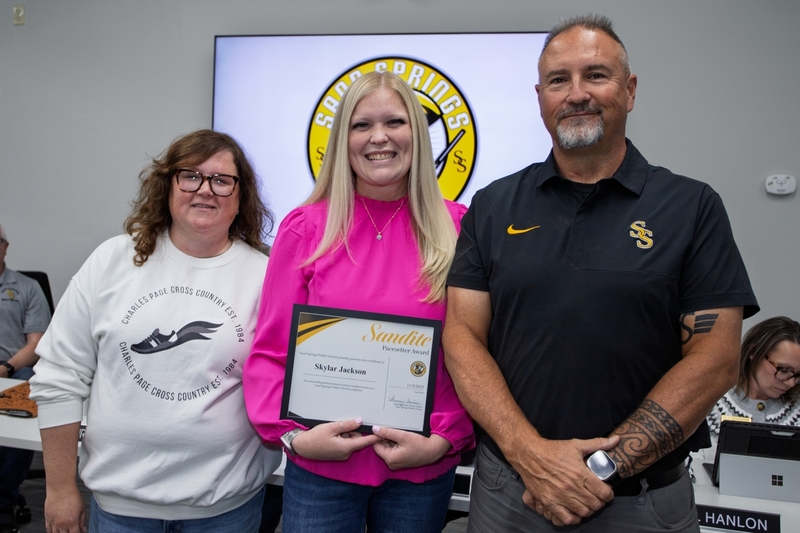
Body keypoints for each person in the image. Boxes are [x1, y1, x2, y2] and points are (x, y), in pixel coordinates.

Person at [443, 14, 759, 533]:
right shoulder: (493, 204)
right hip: (510, 492)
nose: (576, 94)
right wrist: (534, 458)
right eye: (558, 80)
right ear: (540, 95)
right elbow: (462, 336)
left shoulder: (692, 206)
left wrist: (598, 468)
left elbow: (715, 360)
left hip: (641, 503)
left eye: (596, 75)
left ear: (629, 90)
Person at [243, 71, 474, 533]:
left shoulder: (460, 229)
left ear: (419, 135)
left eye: (395, 121)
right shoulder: (305, 228)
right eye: (361, 125)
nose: (379, 137)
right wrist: (294, 437)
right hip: (323, 471)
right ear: (342, 139)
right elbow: (271, 350)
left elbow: (474, 355)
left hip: (420, 473)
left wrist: (447, 438)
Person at [29, 130, 281, 533]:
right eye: (190, 176)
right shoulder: (112, 260)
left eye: (221, 179)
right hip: (119, 510)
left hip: (226, 512)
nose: (205, 190)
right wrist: (59, 489)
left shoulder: (266, 276)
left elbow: (281, 382)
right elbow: (60, 376)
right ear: (167, 185)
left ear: (240, 195)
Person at [0, 223, 51, 532]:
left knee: (23, 391)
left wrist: (5, 367)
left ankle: (4, 501)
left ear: (5, 246)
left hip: (13, 367)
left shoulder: (27, 287)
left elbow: (37, 344)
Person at [708, 316, 800, 438]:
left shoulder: (797, 410)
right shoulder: (709, 402)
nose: (791, 383)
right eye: (783, 370)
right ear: (754, 351)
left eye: (798, 374)